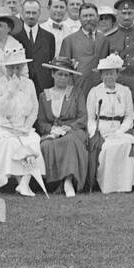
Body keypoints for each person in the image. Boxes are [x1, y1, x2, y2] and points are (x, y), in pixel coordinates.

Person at [0, 52, 47, 196]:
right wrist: (9, 91)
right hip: (3, 126)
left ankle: (24, 182)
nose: (15, 71)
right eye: (11, 68)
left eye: (18, 68)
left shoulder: (29, 83)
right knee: (11, 143)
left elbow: (34, 109)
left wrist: (26, 127)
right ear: (5, 68)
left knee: (33, 141)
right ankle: (21, 182)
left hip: (23, 126)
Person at [35, 59, 90, 196]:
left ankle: (68, 180)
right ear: (52, 74)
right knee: (46, 145)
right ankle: (55, 183)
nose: (63, 78)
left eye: (66, 75)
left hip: (74, 130)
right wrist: (52, 130)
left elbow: (83, 117)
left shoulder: (77, 93)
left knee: (69, 141)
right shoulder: (44, 96)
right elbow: (41, 121)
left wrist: (69, 127)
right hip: (53, 132)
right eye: (60, 74)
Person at [87, 54, 134, 193]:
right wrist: (95, 132)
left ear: (117, 74)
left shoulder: (125, 91)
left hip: (119, 129)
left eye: (111, 73)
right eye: (105, 74)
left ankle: (124, 184)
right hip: (101, 129)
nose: (109, 77)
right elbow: (90, 118)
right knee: (108, 148)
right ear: (101, 76)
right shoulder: (94, 92)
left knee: (127, 145)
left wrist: (120, 131)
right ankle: (108, 184)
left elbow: (129, 116)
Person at [98, 0, 134, 103]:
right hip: (114, 90)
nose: (127, 17)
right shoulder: (108, 39)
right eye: (123, 13)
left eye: (130, 13)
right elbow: (101, 69)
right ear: (117, 15)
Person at [13, 0, 56, 93]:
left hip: (44, 86)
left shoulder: (49, 37)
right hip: (21, 86)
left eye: (34, 13)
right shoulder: (14, 36)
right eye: (28, 12)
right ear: (22, 13)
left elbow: (51, 62)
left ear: (39, 13)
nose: (31, 16)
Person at [58, 2, 105, 83]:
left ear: (97, 17)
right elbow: (63, 70)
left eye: (91, 15)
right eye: (85, 16)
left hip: (100, 86)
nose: (88, 19)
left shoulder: (104, 39)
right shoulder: (69, 41)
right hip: (78, 86)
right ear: (79, 18)